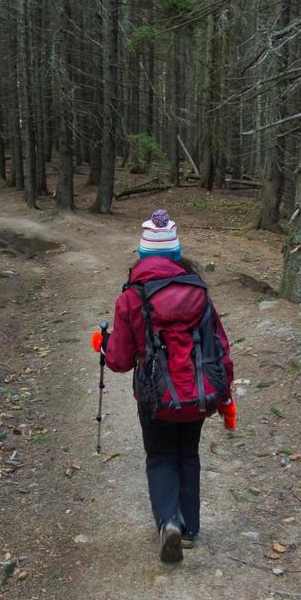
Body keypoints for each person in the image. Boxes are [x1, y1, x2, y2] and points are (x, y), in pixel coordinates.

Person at [95, 210, 235, 563]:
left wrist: (103, 342)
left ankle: (169, 522)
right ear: (175, 253)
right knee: (188, 454)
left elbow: (120, 360)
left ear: (143, 254)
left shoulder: (131, 297)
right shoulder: (199, 291)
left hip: (155, 398)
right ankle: (189, 531)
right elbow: (220, 347)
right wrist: (226, 395)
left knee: (160, 457)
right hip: (199, 395)